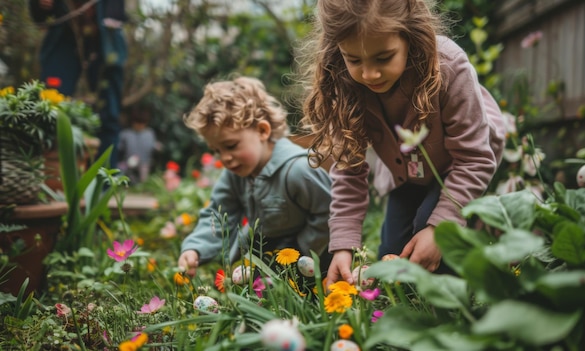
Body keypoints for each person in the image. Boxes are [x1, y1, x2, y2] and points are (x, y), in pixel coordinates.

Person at [294, 0, 506, 285]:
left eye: (383, 58)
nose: (369, 74)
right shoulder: (343, 81)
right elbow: (349, 170)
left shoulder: (449, 66)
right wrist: (343, 245)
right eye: (354, 60)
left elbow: (474, 159)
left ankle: (455, 286)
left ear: (411, 35)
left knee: (431, 235)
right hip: (408, 172)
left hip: (462, 162)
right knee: (392, 257)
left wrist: (439, 227)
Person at [178, 76, 332, 279]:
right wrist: (195, 248)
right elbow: (218, 214)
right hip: (264, 255)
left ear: (262, 131)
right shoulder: (235, 175)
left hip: (311, 260)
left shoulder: (298, 170)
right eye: (216, 150)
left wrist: (300, 254)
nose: (224, 158)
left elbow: (329, 214)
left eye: (231, 146)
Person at [28, 0, 127, 169]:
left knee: (108, 111)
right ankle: (48, 175)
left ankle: (106, 178)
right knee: (50, 108)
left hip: (106, 42)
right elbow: (40, 18)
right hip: (63, 37)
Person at [118, 107, 161, 184]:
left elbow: (153, 145)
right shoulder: (126, 133)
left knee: (143, 175)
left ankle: (142, 185)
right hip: (127, 162)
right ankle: (122, 184)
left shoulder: (149, 133)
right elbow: (119, 147)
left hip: (144, 162)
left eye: (142, 123)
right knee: (120, 168)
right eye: (137, 123)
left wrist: (157, 147)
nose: (139, 126)